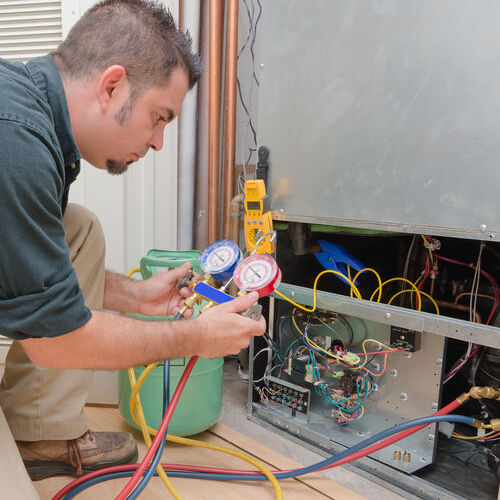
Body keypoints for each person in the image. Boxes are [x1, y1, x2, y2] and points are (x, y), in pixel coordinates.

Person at [0, 0, 266, 480]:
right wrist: (195, 337)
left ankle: (38, 431)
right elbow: (56, 342)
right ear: (112, 86)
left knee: (76, 228)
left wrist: (138, 297)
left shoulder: (30, 113)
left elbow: (24, 264)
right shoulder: (16, 143)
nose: (159, 142)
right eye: (159, 117)